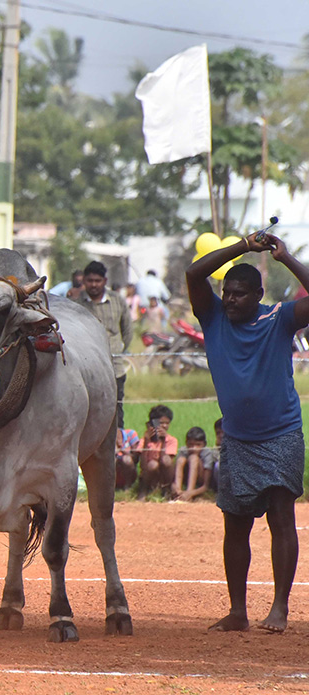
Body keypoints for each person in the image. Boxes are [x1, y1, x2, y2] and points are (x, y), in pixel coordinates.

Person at [187, 233, 309, 633]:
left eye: (240, 294)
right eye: (227, 292)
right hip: (238, 439)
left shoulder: (279, 318)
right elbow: (193, 272)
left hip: (282, 434)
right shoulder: (213, 318)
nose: (231, 299)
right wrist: (243, 245)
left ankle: (279, 607)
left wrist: (285, 257)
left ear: (258, 294)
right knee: (235, 523)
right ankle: (237, 611)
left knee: (280, 517)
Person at [76, 261, 132, 429]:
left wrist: (118, 350)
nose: (94, 285)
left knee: (115, 409)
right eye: (90, 281)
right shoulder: (76, 304)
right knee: (87, 410)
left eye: (97, 281)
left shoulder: (117, 301)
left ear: (105, 281)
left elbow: (127, 331)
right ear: (84, 281)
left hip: (114, 367)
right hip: (86, 368)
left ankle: (118, 447)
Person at [134, 404, 177, 499]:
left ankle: (166, 489)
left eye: (167, 423)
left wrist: (163, 441)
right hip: (149, 475)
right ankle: (144, 489)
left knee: (166, 460)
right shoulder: (144, 441)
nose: (164, 426)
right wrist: (146, 442)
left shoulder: (171, 440)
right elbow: (143, 465)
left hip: (164, 475)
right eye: (161, 423)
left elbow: (166, 462)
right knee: (152, 464)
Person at [173, 427, 214, 502]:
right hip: (185, 479)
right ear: (186, 443)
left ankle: (189, 491)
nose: (194, 448)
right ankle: (178, 491)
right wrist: (177, 490)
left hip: (200, 480)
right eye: (190, 444)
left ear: (204, 444)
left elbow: (205, 486)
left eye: (198, 445)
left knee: (193, 458)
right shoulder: (183, 451)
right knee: (181, 460)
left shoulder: (207, 453)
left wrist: (190, 493)